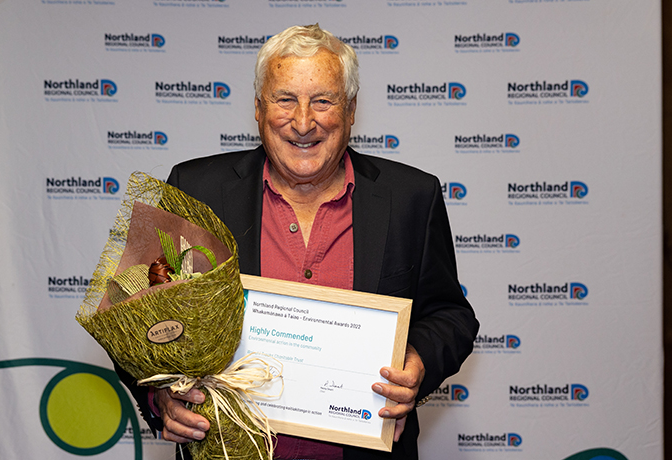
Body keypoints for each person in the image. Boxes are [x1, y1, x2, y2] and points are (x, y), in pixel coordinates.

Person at [115, 24, 478, 460]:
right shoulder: (195, 189)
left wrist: (418, 363)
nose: (303, 121)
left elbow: (449, 316)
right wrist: (162, 401)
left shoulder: (410, 198)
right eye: (285, 99)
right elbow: (132, 317)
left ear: (351, 110)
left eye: (323, 101)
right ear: (257, 107)